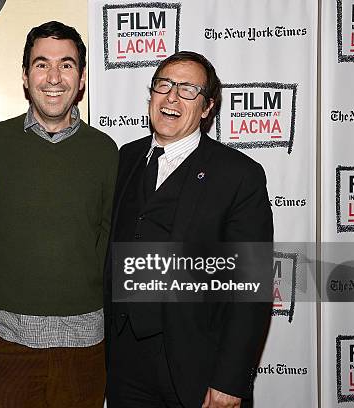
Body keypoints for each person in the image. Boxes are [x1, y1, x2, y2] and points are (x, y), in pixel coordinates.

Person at [105, 51, 273, 408]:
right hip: (125, 364)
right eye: (163, 85)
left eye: (188, 90)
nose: (171, 97)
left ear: (208, 107)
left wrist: (230, 380)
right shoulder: (125, 158)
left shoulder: (238, 175)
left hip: (196, 366)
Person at [0, 20, 118, 408]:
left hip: (85, 347)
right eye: (42, 64)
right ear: (25, 76)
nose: (54, 77)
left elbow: (108, 243)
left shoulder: (106, 151)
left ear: (82, 77)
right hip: (9, 345)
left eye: (66, 64)